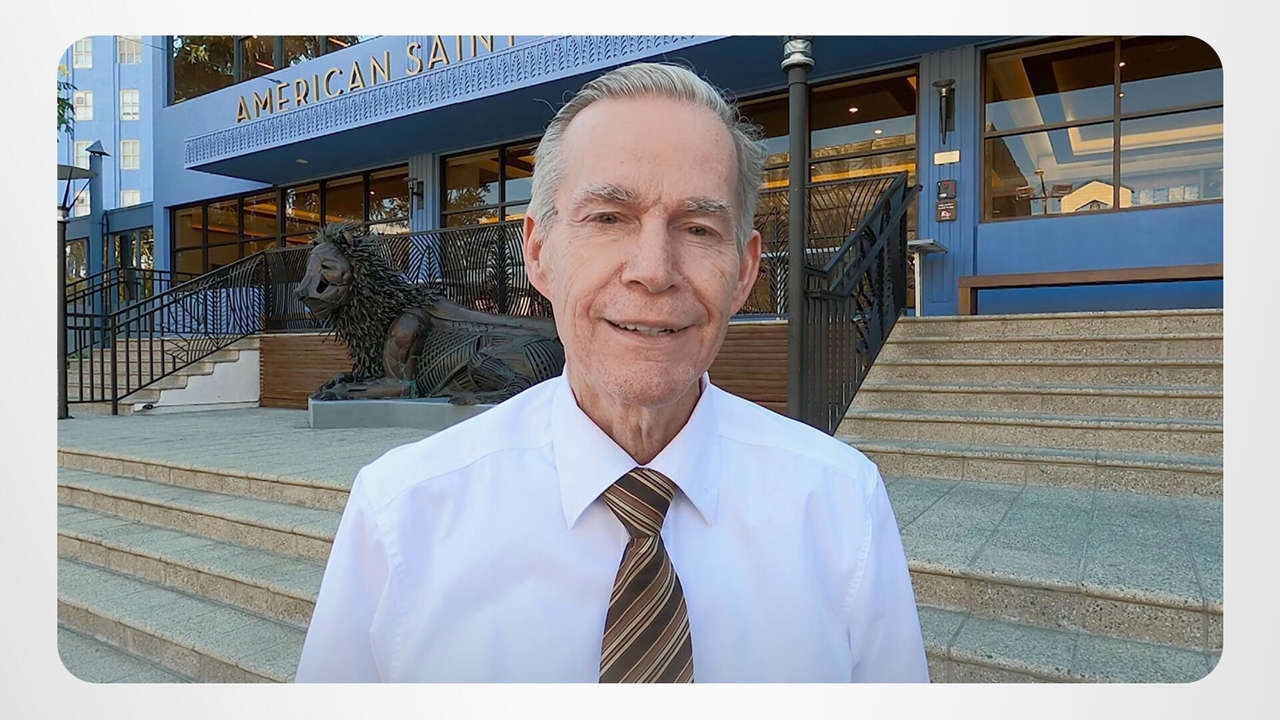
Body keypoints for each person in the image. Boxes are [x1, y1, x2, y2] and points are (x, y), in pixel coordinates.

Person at [295, 62, 928, 683]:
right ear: (539, 253)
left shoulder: (843, 506)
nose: (654, 270)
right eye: (608, 218)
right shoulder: (401, 516)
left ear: (743, 271)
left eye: (698, 227)